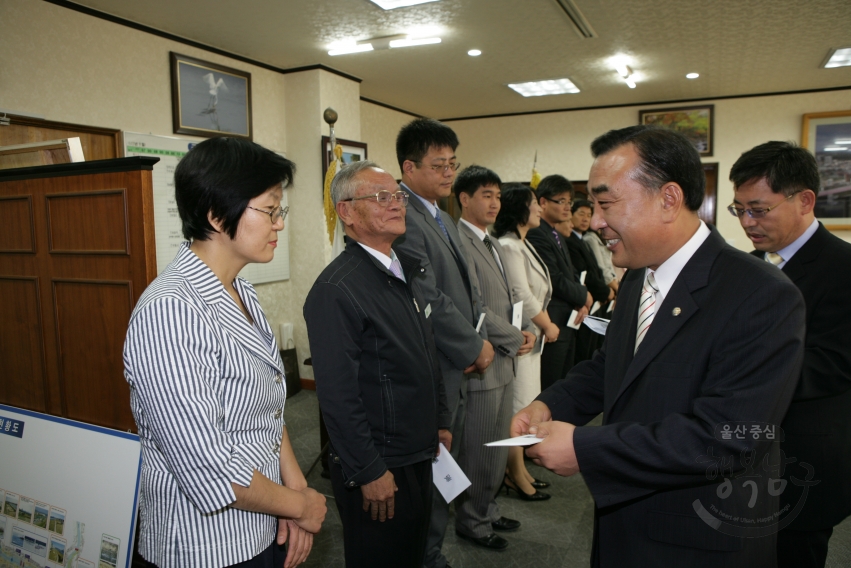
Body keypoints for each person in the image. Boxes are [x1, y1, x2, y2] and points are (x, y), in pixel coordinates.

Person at [513, 125, 807, 568]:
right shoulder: (638, 275)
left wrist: (586, 450)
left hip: (697, 536)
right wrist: (550, 405)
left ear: (668, 199)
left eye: (606, 203)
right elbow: (611, 364)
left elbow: (728, 437)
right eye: (592, 206)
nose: (594, 221)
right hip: (624, 524)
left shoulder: (760, 294)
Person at [123, 137, 326, 568]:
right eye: (270, 210)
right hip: (206, 545)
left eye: (279, 211)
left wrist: (295, 492)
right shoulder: (170, 312)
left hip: (262, 519)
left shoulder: (241, 291)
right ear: (217, 215)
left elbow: (268, 413)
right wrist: (299, 506)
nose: (279, 224)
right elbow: (209, 469)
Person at [303, 161, 450, 568]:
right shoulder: (337, 289)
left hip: (417, 448)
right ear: (347, 212)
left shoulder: (403, 268)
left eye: (398, 196)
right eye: (381, 197)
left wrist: (439, 419)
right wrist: (368, 469)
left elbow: (426, 350)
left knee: (412, 552)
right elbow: (337, 394)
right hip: (381, 461)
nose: (396, 204)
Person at [730, 141, 851, 568]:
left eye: (759, 210)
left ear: (805, 200)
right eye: (738, 209)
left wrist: (736, 375)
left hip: (804, 460)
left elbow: (835, 364)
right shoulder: (747, 267)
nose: (747, 222)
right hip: (739, 458)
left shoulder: (843, 267)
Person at [392, 118, 494, 568]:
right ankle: (425, 555)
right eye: (438, 165)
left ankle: (431, 548)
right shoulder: (404, 216)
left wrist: (477, 339)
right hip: (435, 365)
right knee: (434, 465)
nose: (449, 173)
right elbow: (427, 296)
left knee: (446, 465)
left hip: (456, 360)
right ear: (409, 167)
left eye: (453, 164)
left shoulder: (442, 214)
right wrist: (473, 347)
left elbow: (467, 292)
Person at [453, 166, 537, 551]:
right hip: (482, 364)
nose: (494, 202)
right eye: (485, 194)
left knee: (498, 445)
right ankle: (472, 520)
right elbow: (473, 306)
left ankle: (487, 508)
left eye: (498, 196)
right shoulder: (458, 241)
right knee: (479, 448)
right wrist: (512, 336)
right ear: (464, 198)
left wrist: (522, 332)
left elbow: (506, 298)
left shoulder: (493, 243)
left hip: (505, 360)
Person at [494, 182, 556, 500]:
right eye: (534, 202)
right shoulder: (508, 244)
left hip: (533, 338)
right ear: (519, 207)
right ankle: (514, 474)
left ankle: (518, 469)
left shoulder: (523, 242)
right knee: (518, 408)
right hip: (521, 336)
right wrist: (548, 324)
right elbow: (521, 293)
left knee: (526, 404)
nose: (539, 208)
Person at [526, 175, 591, 390]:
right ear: (543, 202)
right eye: (561, 201)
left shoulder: (556, 232)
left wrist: (582, 299)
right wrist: (584, 296)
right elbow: (553, 278)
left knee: (563, 381)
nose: (567, 207)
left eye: (569, 202)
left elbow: (571, 273)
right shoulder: (536, 233)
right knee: (550, 384)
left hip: (568, 318)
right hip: (552, 319)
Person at [566, 199, 613, 362]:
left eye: (589, 215)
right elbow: (585, 274)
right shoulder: (570, 239)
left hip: (597, 301)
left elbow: (596, 269)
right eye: (581, 214)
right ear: (571, 215)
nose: (585, 219)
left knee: (593, 349)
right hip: (586, 301)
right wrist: (607, 291)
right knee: (583, 353)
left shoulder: (583, 239)